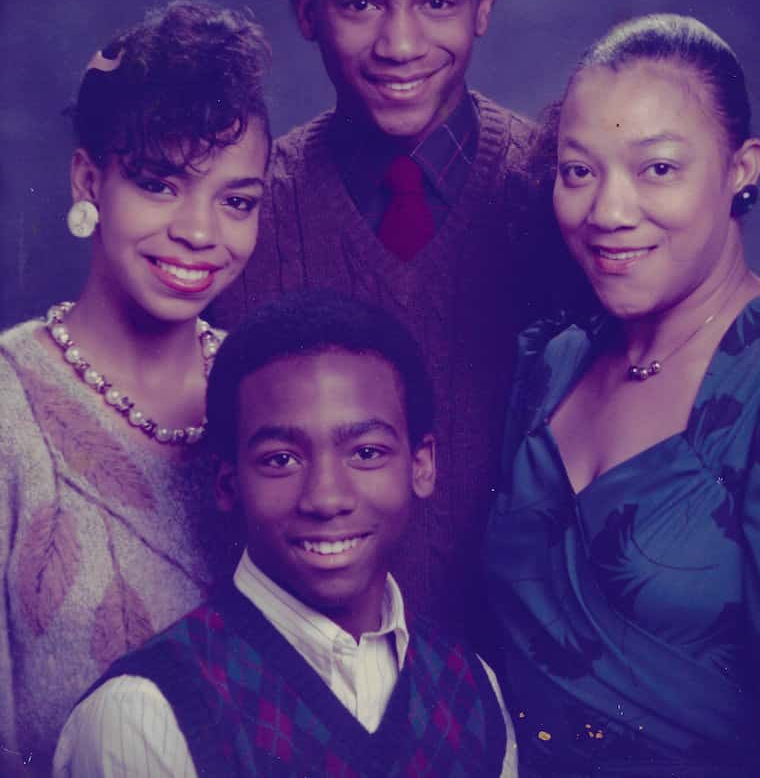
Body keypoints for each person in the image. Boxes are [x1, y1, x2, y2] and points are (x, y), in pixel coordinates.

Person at [211, 0, 584, 632]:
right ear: (309, 9)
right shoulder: (241, 216)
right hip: (305, 682)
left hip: (527, 679)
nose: (401, 44)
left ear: (485, 3)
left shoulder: (565, 199)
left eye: (438, 2)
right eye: (361, 3)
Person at [484, 14, 760, 776]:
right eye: (579, 171)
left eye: (658, 169)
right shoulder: (550, 365)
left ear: (742, 168)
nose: (607, 212)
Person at [55, 292, 518, 776]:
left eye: (366, 453)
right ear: (228, 483)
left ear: (421, 466)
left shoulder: (471, 687)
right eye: (281, 460)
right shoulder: (146, 717)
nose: (326, 497)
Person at [0, 0, 272, 775]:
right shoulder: (8, 408)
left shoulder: (270, 393)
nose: (199, 231)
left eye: (237, 200)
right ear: (89, 178)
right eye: (159, 184)